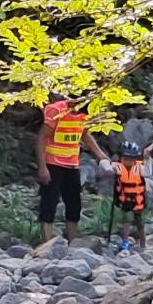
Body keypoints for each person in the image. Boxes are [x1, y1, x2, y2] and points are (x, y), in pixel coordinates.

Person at [35, 93, 92, 244]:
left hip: (72, 164)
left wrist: (101, 156)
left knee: (74, 204)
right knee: (49, 203)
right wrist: (42, 167)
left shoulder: (85, 113)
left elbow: (85, 135)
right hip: (53, 163)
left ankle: (72, 241)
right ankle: (46, 242)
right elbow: (42, 137)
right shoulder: (56, 111)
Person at [108, 140, 150, 252]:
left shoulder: (139, 168)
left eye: (131, 159)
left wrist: (147, 160)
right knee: (126, 220)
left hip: (138, 201)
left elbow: (147, 173)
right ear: (121, 157)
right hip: (125, 201)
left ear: (135, 159)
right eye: (125, 158)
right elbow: (108, 168)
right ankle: (125, 241)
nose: (128, 161)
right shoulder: (118, 167)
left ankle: (143, 243)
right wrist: (106, 164)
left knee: (140, 223)